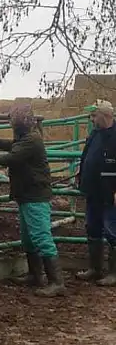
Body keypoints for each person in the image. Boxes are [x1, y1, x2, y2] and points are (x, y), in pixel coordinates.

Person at [0, 103, 65, 297]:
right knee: (28, 238)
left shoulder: (32, 140)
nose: (10, 122)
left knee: (41, 237)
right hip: (26, 194)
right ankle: (35, 275)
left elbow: (13, 157)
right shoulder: (27, 137)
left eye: (12, 119)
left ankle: (57, 282)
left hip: (35, 196)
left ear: (19, 122)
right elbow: (13, 146)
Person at [74, 99, 116, 286]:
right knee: (92, 227)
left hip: (110, 191)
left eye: (94, 115)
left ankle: (113, 273)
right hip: (93, 189)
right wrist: (81, 172)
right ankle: (95, 268)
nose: (92, 119)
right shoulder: (95, 134)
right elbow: (87, 156)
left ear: (105, 115)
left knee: (112, 230)